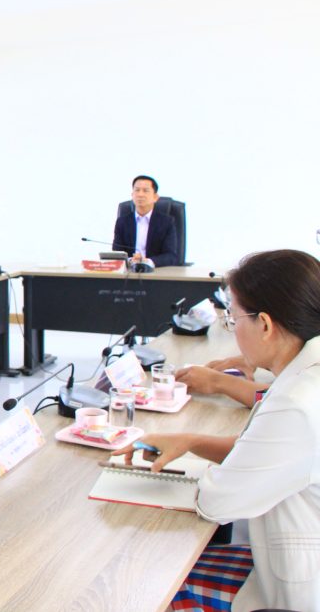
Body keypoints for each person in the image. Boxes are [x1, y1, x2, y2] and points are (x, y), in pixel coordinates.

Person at [114, 249, 320, 611]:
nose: (232, 329)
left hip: (298, 583)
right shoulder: (306, 372)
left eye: (233, 319)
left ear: (265, 325)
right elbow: (262, 451)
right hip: (285, 550)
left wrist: (202, 473)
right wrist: (191, 441)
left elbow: (216, 503)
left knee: (147, 586)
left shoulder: (297, 403)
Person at [112, 175, 179, 268]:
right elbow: (117, 253)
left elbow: (171, 256)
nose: (140, 194)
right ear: (132, 195)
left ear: (155, 197)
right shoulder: (122, 222)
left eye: (145, 190)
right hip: (129, 271)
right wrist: (130, 260)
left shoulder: (167, 222)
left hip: (156, 272)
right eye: (137, 190)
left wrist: (148, 261)